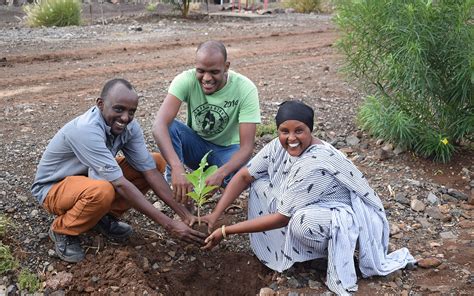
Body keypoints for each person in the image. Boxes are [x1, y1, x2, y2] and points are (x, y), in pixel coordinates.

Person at [201, 101, 416, 295]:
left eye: (299, 131)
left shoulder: (314, 162)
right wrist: (215, 214)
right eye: (284, 131)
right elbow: (246, 175)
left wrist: (225, 230)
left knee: (302, 223)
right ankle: (294, 250)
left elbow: (281, 218)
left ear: (310, 130)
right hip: (314, 204)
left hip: (349, 218)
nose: (291, 138)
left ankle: (333, 253)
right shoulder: (278, 146)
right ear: (278, 131)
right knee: (259, 184)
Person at [31, 78, 206, 263]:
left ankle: (101, 217)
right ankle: (62, 229)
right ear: (100, 104)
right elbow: (120, 184)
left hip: (90, 179)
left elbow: (150, 171)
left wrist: (185, 215)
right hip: (53, 188)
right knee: (102, 191)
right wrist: (169, 225)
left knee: (155, 162)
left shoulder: (130, 127)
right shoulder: (86, 129)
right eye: (119, 109)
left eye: (131, 111)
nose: (125, 118)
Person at [152, 40, 260, 206]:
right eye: (201, 71)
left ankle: (221, 193)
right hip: (197, 148)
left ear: (226, 66)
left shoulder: (245, 88)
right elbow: (159, 125)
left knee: (242, 175)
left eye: (214, 72)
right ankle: (178, 191)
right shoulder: (186, 80)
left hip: (227, 151)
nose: (207, 78)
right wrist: (176, 167)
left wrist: (221, 173)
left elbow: (246, 148)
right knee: (170, 127)